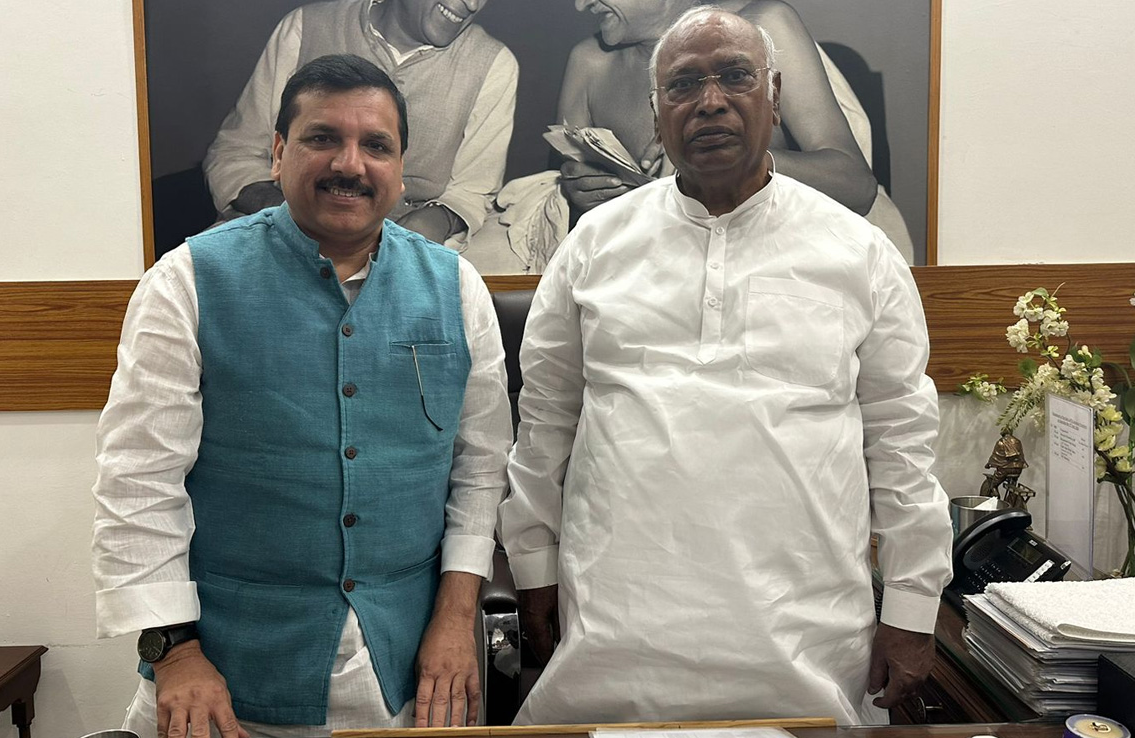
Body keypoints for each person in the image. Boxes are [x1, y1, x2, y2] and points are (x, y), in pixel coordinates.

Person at [499, 7, 952, 726]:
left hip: (805, 643)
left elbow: (901, 441)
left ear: (774, 96)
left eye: (735, 76)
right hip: (616, 633)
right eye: (684, 84)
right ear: (657, 112)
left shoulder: (859, 253)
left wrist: (913, 606)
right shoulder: (594, 246)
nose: (710, 101)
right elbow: (545, 421)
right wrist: (532, 564)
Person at [93, 54, 511, 738]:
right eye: (323, 138)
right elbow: (138, 483)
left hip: (407, 673)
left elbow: (481, 467)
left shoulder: (457, 288)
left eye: (376, 145)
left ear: (401, 168)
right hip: (222, 683)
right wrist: (175, 655)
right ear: (278, 151)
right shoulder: (186, 282)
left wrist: (456, 617)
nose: (351, 164)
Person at [556, 0, 915, 262]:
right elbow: (583, 237)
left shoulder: (763, 27)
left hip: (774, 277)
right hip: (655, 293)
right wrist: (580, 195)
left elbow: (856, 187)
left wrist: (739, 163)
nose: (580, 5)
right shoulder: (589, 63)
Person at [203, 0, 517, 246]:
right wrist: (288, 215)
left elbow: (473, 191)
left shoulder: (493, 64)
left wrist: (435, 221)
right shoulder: (304, 27)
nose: (472, 4)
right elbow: (235, 154)